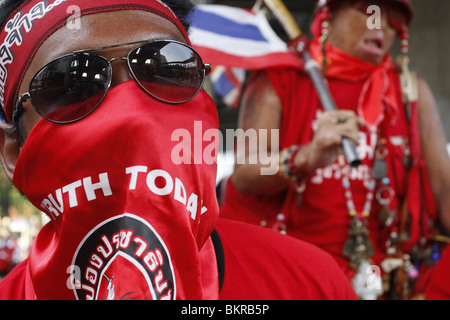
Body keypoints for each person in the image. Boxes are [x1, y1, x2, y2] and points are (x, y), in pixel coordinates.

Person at [0, 0, 357, 300]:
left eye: (165, 69)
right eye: (72, 81)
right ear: (13, 151)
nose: (134, 116)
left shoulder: (308, 283)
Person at [220, 0, 450, 299]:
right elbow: (246, 172)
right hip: (295, 274)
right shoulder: (280, 77)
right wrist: (305, 158)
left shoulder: (409, 90)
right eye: (368, 9)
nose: (380, 24)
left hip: (385, 275)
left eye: (393, 17)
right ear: (328, 16)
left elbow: (444, 188)